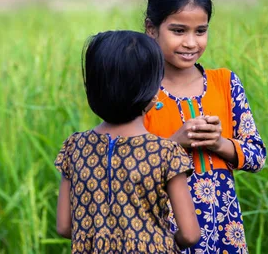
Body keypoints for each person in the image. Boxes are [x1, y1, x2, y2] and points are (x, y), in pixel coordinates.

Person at [143, 0, 266, 253]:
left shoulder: (225, 83)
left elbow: (257, 156)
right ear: (151, 29)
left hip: (224, 231)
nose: (191, 42)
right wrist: (174, 143)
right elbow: (128, 165)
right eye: (178, 31)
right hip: (163, 233)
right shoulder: (141, 92)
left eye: (200, 31)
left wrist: (219, 143)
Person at [55, 30, 200, 253]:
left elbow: (64, 226)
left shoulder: (74, 147)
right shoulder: (166, 153)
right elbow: (190, 234)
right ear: (152, 94)